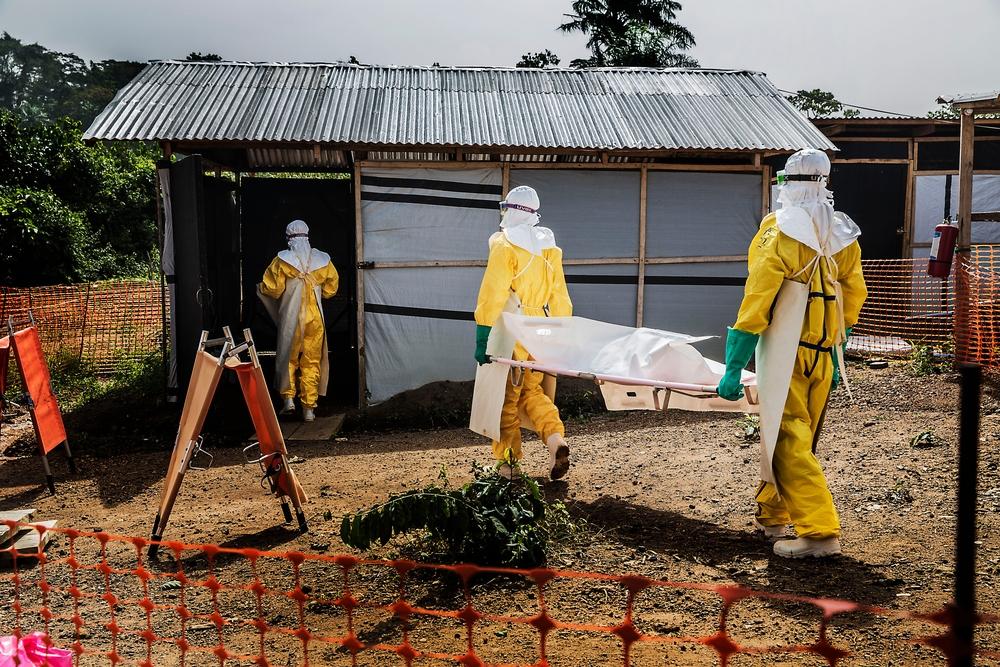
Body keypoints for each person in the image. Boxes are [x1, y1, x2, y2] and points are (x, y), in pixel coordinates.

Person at [717, 148, 867, 558]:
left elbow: (756, 303)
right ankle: (773, 514)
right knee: (798, 438)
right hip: (823, 353)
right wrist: (837, 355)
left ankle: (819, 534)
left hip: (788, 354)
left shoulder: (778, 231)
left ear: (785, 183)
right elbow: (852, 299)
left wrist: (733, 367)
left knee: (787, 440)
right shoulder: (841, 235)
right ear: (824, 183)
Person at [473, 185, 572, 479]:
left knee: (504, 400)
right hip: (540, 330)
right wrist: (559, 337)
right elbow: (560, 297)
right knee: (532, 392)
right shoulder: (549, 249)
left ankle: (508, 464)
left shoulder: (504, 246)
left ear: (510, 210)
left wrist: (483, 335)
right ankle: (556, 439)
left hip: (510, 330)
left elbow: (492, 294)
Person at [259, 220, 339, 422]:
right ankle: (309, 409)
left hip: (292, 318)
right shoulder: (322, 260)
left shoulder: (281, 261)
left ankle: (288, 400)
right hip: (315, 319)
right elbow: (330, 290)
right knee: (312, 361)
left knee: (288, 357)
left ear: (289, 238)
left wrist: (261, 288)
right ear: (307, 236)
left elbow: (273, 290)